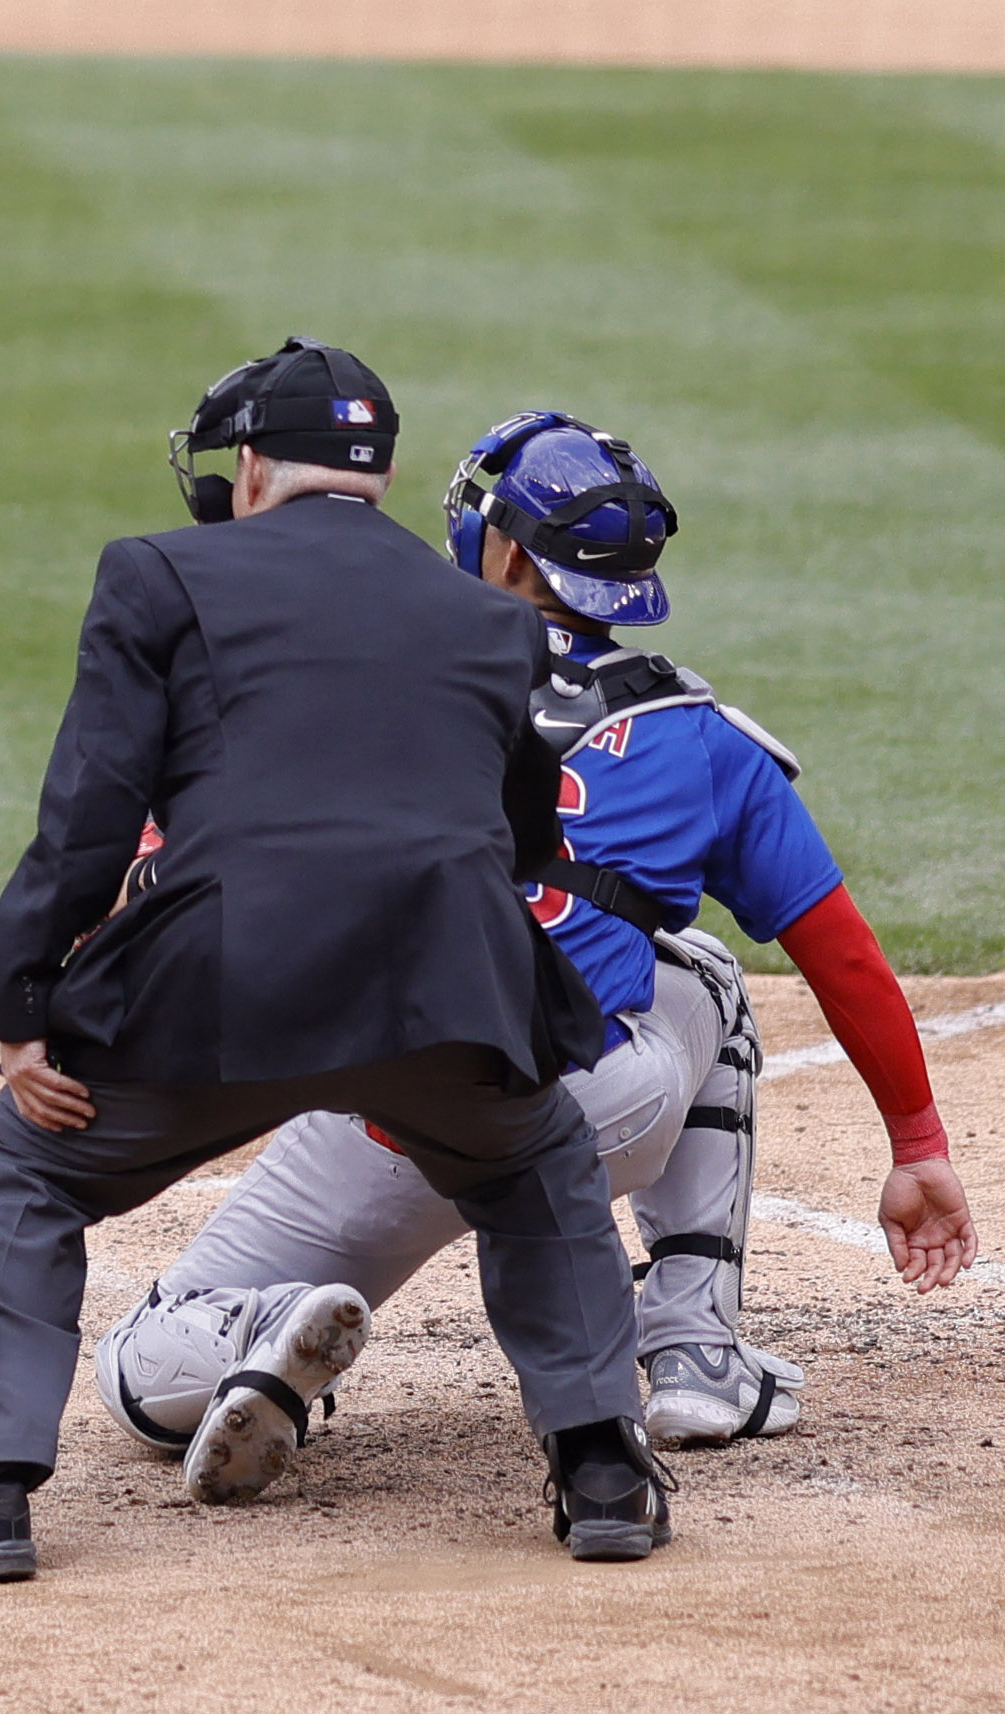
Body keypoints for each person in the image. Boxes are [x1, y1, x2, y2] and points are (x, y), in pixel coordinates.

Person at [0, 340, 671, 1584]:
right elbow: (522, 840)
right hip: (445, 985)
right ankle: (606, 1470)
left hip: (219, 987)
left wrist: (22, 1003)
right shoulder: (490, 619)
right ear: (384, 476)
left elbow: (90, 810)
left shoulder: (157, 574)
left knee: (18, 1170)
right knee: (537, 1162)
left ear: (249, 470)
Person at [91, 412, 975, 1479]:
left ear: (505, 554)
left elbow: (179, 847)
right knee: (703, 976)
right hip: (605, 1103)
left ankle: (269, 1329)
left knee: (137, 1377)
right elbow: (842, 956)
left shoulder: (364, 686)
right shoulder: (699, 734)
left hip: (385, 1108)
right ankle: (695, 1353)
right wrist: (918, 1146)